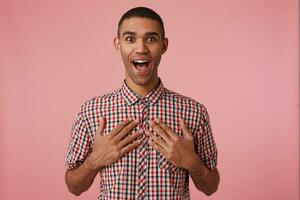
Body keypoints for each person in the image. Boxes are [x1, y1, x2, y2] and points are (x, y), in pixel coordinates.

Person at [65, 6, 220, 200]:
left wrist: (192, 163)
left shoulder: (194, 112)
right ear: (118, 44)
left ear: (164, 45)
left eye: (151, 39)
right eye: (130, 39)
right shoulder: (91, 111)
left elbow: (211, 187)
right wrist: (93, 162)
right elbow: (74, 186)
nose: (141, 48)